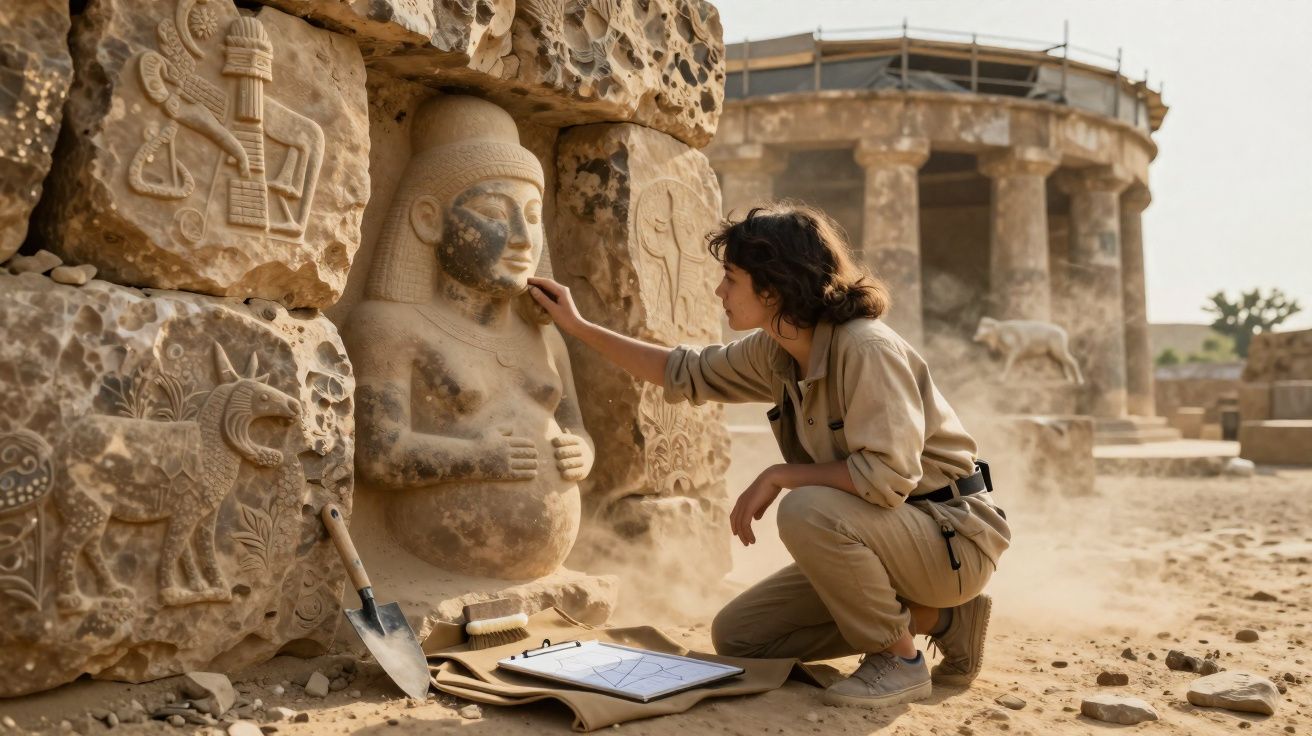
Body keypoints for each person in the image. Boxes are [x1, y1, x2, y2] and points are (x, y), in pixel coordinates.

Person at [527, 203, 1010, 708]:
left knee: (807, 507)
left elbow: (888, 477)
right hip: (891, 536)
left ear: (773, 288)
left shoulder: (866, 349)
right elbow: (681, 371)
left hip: (949, 538)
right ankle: (948, 620)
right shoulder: (777, 349)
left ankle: (899, 662)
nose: (720, 292)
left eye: (731, 278)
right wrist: (576, 326)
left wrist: (783, 474)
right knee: (742, 636)